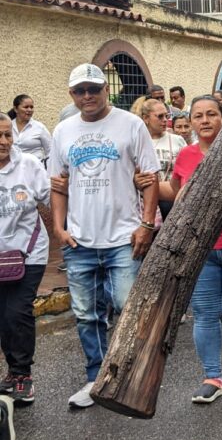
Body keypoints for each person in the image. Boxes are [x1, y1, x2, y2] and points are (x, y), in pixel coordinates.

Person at [49, 63, 160, 409]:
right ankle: (96, 378)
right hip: (80, 241)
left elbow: (151, 175)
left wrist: (145, 225)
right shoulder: (63, 131)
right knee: (86, 315)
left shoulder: (131, 124)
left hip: (122, 239)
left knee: (128, 309)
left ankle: (126, 377)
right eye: (80, 91)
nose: (87, 96)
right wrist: (58, 227)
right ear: (71, 94)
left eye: (93, 89)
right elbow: (58, 184)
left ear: (105, 90)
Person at [159, 95, 222, 403]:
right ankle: (213, 376)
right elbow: (174, 191)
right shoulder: (185, 155)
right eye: (197, 115)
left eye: (211, 114)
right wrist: (144, 181)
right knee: (205, 314)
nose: (204, 120)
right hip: (201, 251)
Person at [0, 114, 49, 405]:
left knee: (17, 311)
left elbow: (50, 197)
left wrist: (63, 230)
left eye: (8, 135)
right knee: (2, 315)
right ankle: (12, 370)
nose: (4, 142)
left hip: (29, 252)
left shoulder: (28, 165)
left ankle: (22, 375)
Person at [141, 99, 186, 220]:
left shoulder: (177, 140)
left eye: (167, 116)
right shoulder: (139, 141)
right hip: (145, 201)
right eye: (160, 116)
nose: (165, 120)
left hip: (172, 200)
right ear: (146, 118)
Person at [7, 95, 51, 167]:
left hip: (35, 169)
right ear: (15, 109)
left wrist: (46, 167)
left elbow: (50, 150)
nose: (30, 110)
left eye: (31, 107)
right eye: (26, 107)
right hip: (13, 169)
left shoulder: (39, 127)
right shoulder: (8, 126)